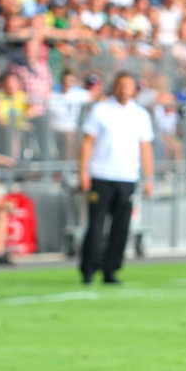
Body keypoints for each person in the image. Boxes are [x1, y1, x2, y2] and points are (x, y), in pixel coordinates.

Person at [78, 72, 154, 285]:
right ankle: (89, 268)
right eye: (121, 85)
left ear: (133, 89)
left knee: (121, 226)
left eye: (128, 86)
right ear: (115, 87)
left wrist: (149, 177)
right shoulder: (101, 110)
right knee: (96, 225)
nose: (124, 90)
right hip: (102, 175)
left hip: (127, 176)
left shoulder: (140, 115)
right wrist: (83, 171)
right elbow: (87, 143)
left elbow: (145, 147)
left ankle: (111, 269)